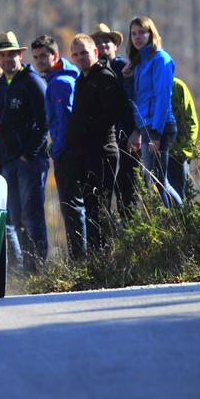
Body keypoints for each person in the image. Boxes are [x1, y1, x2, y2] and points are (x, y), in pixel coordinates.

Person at [0, 31, 49, 272]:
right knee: (13, 220)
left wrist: (30, 153)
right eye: (2, 55)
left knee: (31, 217)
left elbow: (45, 121)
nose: (7, 60)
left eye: (11, 54)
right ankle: (20, 271)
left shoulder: (32, 81)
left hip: (29, 161)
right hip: (6, 160)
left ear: (20, 55)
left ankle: (38, 270)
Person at [67, 34, 127, 255]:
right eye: (76, 54)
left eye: (84, 52)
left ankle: (107, 257)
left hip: (102, 151)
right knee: (90, 206)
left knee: (101, 207)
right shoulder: (82, 79)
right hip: (84, 153)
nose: (80, 57)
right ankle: (95, 257)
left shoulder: (104, 76)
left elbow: (114, 112)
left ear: (94, 52)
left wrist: (86, 128)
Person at [31, 34, 85, 259]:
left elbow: (65, 120)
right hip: (69, 150)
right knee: (73, 208)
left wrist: (58, 150)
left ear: (55, 55)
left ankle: (79, 260)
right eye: (36, 57)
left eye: (44, 55)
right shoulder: (58, 79)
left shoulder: (60, 83)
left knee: (71, 208)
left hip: (68, 154)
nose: (40, 61)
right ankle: (81, 258)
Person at [124, 16, 181, 208]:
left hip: (160, 127)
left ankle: (179, 221)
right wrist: (127, 79)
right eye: (133, 33)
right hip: (147, 127)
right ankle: (177, 221)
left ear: (151, 34)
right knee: (154, 181)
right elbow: (139, 100)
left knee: (156, 181)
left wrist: (156, 133)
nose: (137, 37)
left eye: (142, 32)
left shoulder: (161, 60)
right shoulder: (140, 63)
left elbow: (162, 98)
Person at [90, 23, 137, 218]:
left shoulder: (124, 68)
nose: (102, 45)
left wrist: (136, 131)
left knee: (128, 189)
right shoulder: (91, 73)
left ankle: (131, 235)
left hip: (127, 136)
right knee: (104, 191)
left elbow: (135, 100)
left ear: (115, 45)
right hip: (103, 141)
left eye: (106, 41)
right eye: (98, 42)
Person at [168, 78, 199, 200]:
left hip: (177, 156)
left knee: (180, 196)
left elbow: (191, 122)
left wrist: (183, 152)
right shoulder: (148, 86)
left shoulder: (178, 87)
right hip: (156, 153)